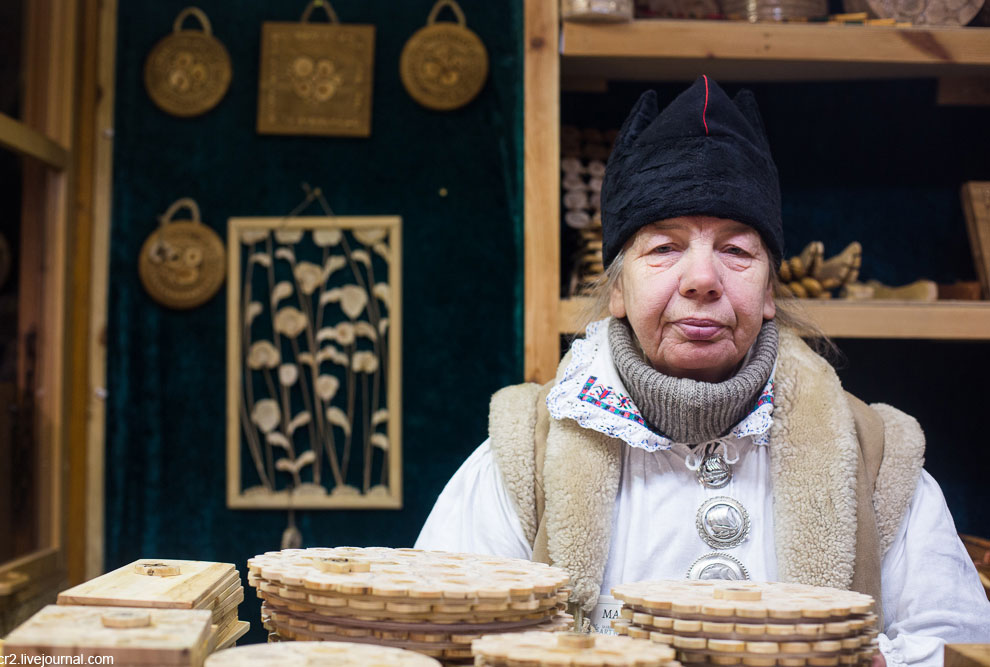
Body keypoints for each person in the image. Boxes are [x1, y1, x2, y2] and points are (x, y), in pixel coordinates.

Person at [415, 76, 990, 667]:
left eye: (737, 251)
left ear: (769, 291)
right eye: (663, 248)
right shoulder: (522, 458)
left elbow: (963, 649)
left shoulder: (877, 459)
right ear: (617, 289)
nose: (702, 278)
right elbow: (437, 641)